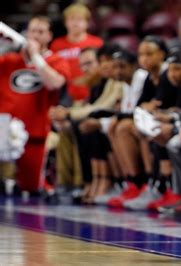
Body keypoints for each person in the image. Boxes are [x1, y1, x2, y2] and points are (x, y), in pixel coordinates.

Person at [0, 16, 71, 192]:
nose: (36, 36)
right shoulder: (10, 59)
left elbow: (55, 82)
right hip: (3, 131)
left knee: (30, 187)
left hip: (35, 131)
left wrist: (36, 57)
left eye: (41, 32)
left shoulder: (56, 60)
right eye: (33, 31)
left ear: (49, 36)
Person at [50, 3, 103, 104]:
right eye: (71, 19)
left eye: (79, 19)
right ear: (65, 22)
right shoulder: (56, 45)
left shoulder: (97, 43)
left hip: (91, 94)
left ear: (87, 23)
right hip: (63, 95)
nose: (75, 23)